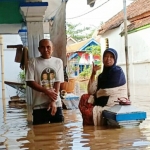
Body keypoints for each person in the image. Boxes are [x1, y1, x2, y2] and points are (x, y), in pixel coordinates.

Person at [79, 48, 128, 126]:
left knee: (89, 113)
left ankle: (91, 131)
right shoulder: (101, 76)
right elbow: (90, 91)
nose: (108, 59)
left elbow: (108, 91)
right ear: (103, 59)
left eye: (111, 57)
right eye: (106, 56)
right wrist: (93, 74)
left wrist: (97, 94)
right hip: (102, 102)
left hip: (113, 103)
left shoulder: (118, 72)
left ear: (115, 59)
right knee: (84, 98)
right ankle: (89, 130)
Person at [26, 39, 64, 125]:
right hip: (39, 105)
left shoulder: (58, 62)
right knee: (40, 134)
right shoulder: (33, 62)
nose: (46, 50)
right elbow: (29, 81)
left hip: (56, 104)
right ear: (39, 49)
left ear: (52, 48)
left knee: (58, 133)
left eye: (48, 47)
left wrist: (53, 101)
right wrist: (46, 91)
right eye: (43, 47)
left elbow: (57, 82)